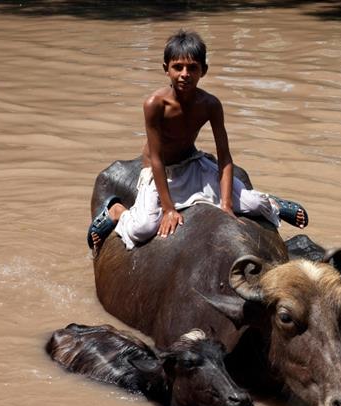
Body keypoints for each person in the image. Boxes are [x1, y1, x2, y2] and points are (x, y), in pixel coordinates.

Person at [88, 29, 307, 254]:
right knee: (143, 228)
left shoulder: (210, 104)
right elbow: (155, 158)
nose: (185, 74)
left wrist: (226, 205)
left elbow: (224, 156)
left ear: (203, 70)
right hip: (162, 171)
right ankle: (116, 211)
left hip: (193, 163)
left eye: (192, 68)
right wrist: (169, 209)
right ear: (166, 69)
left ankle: (275, 203)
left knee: (253, 205)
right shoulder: (155, 104)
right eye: (178, 67)